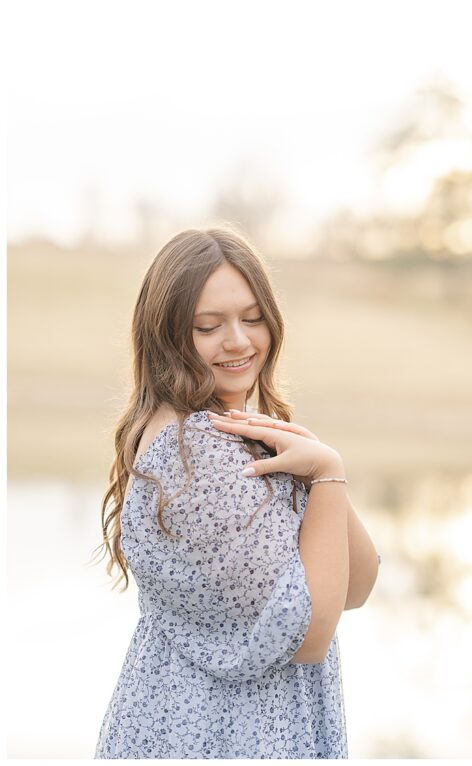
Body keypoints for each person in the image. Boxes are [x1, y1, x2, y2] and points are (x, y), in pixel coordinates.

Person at [93, 227, 379, 758]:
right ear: (168, 335)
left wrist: (317, 468)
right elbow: (311, 635)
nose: (239, 341)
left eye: (252, 318)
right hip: (219, 735)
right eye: (208, 326)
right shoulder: (194, 453)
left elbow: (355, 588)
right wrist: (328, 473)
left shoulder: (229, 433)